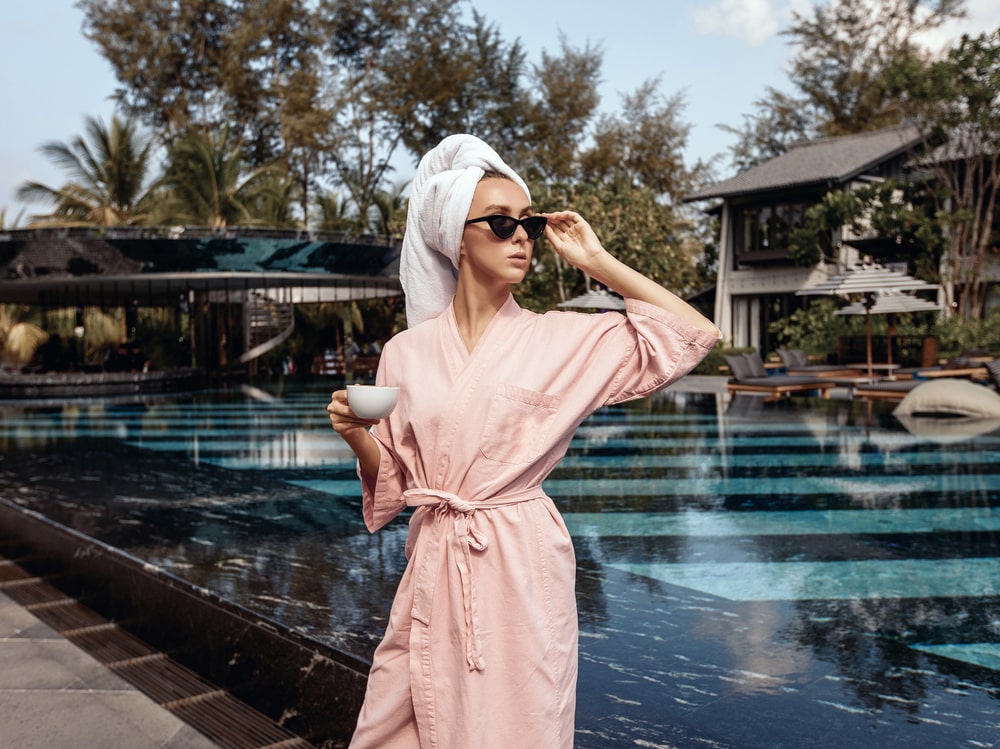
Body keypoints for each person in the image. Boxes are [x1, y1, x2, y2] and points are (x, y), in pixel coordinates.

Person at [326, 134, 720, 748]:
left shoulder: (560, 339)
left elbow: (690, 334)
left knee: (516, 724)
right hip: (435, 556)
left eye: (529, 225)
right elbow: (399, 483)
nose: (522, 239)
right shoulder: (406, 352)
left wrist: (597, 262)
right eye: (503, 223)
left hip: (518, 559)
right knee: (396, 721)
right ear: (456, 235)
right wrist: (356, 435)